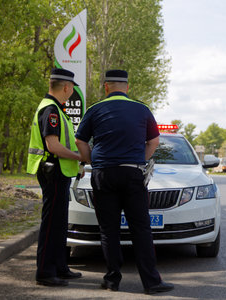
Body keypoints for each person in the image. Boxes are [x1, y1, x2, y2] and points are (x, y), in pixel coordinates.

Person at [75, 69, 174, 295]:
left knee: (108, 229)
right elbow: (154, 141)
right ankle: (152, 283)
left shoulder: (95, 109)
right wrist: (140, 159)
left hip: (104, 176)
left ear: (106, 86)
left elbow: (80, 140)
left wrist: (92, 160)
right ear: (127, 87)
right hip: (132, 174)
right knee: (141, 228)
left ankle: (112, 280)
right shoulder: (142, 109)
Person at [27, 68, 83, 287]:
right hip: (53, 171)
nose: (71, 93)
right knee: (51, 223)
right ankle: (45, 272)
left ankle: (60, 267)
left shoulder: (56, 109)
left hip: (60, 170)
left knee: (59, 222)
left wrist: (75, 163)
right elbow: (54, 146)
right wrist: (79, 156)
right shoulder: (50, 109)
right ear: (66, 87)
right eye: (71, 90)